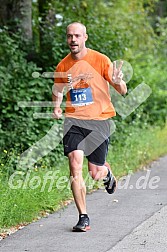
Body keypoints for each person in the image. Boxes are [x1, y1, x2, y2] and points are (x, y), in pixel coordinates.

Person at [52, 22, 127, 232]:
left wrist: (118, 82)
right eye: (69, 36)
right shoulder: (63, 66)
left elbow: (122, 90)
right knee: (75, 162)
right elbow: (57, 90)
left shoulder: (100, 59)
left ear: (85, 37)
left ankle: (106, 172)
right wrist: (57, 108)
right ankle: (83, 217)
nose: (73, 40)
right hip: (74, 121)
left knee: (95, 173)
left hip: (99, 121)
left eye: (77, 36)